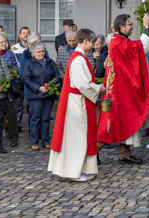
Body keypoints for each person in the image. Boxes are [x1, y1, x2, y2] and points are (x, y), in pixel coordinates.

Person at [48, 29, 107, 182]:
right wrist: (99, 88)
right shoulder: (79, 59)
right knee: (77, 137)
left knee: (76, 136)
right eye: (93, 43)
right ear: (86, 41)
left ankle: (79, 169)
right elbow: (82, 84)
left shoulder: (79, 57)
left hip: (75, 99)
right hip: (76, 101)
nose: (94, 46)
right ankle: (75, 171)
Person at [97, 14, 149, 164]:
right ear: (121, 27)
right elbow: (140, 48)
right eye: (130, 24)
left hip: (122, 89)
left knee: (126, 120)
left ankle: (125, 152)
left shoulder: (120, 41)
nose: (132, 26)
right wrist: (146, 27)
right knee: (112, 123)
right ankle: (92, 152)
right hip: (117, 92)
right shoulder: (117, 42)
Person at [23, 41, 61, 150]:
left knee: (46, 118)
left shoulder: (50, 62)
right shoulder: (29, 63)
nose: (41, 53)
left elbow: (57, 75)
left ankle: (45, 140)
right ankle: (34, 141)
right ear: (33, 52)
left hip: (48, 94)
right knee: (35, 118)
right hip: (36, 95)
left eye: (43, 51)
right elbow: (26, 78)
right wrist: (39, 88)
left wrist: (51, 85)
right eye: (39, 52)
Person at [0, 31, 19, 147]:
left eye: (5, 41)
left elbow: (16, 68)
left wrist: (13, 75)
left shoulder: (10, 54)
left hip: (8, 87)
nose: (5, 43)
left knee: (11, 113)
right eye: (2, 42)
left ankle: (13, 138)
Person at [20, 33, 48, 117]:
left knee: (44, 115)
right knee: (33, 116)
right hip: (32, 89)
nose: (35, 45)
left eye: (37, 42)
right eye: (32, 43)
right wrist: (37, 86)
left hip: (44, 87)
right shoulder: (25, 55)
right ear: (28, 45)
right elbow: (23, 73)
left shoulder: (44, 53)